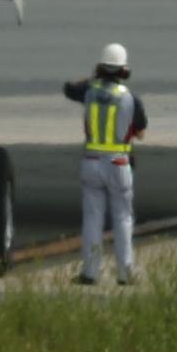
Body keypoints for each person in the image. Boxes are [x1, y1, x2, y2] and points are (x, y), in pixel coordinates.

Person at [59, 44, 149, 286]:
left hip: (91, 162)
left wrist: (94, 76)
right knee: (122, 218)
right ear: (124, 71)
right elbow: (139, 133)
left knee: (92, 219)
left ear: (100, 68)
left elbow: (68, 88)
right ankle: (125, 273)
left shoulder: (88, 91)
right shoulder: (130, 99)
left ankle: (90, 273)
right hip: (118, 163)